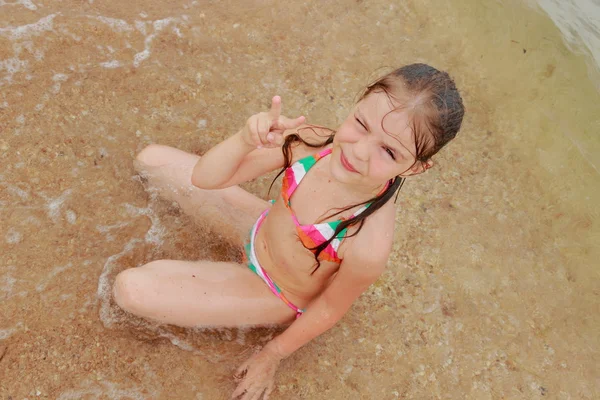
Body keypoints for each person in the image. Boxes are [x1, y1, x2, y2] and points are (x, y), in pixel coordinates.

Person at [112, 63, 465, 399]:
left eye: (388, 151)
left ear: (417, 169)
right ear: (356, 103)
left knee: (131, 290)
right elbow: (206, 179)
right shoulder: (313, 143)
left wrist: (272, 354)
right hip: (256, 227)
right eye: (360, 124)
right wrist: (244, 139)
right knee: (151, 159)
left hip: (274, 290)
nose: (358, 151)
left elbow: (329, 307)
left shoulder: (367, 240)